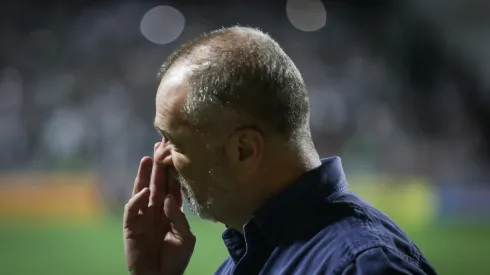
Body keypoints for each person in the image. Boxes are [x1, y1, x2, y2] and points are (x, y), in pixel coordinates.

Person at [123, 26, 437, 275]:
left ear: (244, 150)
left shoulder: (362, 266)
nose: (161, 158)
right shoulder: (250, 257)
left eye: (174, 141)